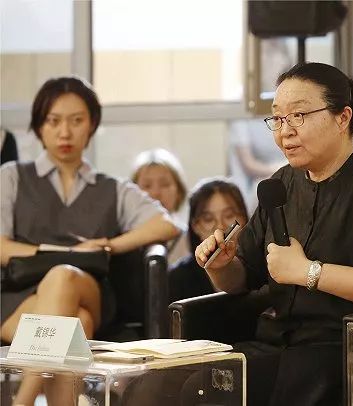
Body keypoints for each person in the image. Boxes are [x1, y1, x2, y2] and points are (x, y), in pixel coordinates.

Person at [195, 62, 353, 406]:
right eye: (278, 118)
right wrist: (220, 266)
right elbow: (242, 278)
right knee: (195, 388)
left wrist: (309, 272)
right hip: (277, 339)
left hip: (341, 348)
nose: (285, 131)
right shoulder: (282, 182)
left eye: (298, 116)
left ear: (342, 118)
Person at [0, 76, 180, 405]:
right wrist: (65, 252)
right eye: (54, 121)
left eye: (76, 121)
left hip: (87, 288)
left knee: (64, 276)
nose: (65, 133)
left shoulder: (111, 187)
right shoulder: (12, 176)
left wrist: (108, 245)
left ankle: (21, 401)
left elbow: (165, 224)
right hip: (19, 299)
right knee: (75, 323)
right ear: (39, 126)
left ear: (92, 124)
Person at [169, 178, 249, 302]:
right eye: (208, 219)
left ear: (243, 218)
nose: (220, 226)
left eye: (229, 215)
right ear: (195, 226)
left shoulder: (260, 263)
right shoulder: (177, 277)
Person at [131, 148, 189, 265]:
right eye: (147, 186)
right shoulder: (124, 238)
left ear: (179, 191)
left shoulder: (191, 241)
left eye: (165, 184)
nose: (156, 193)